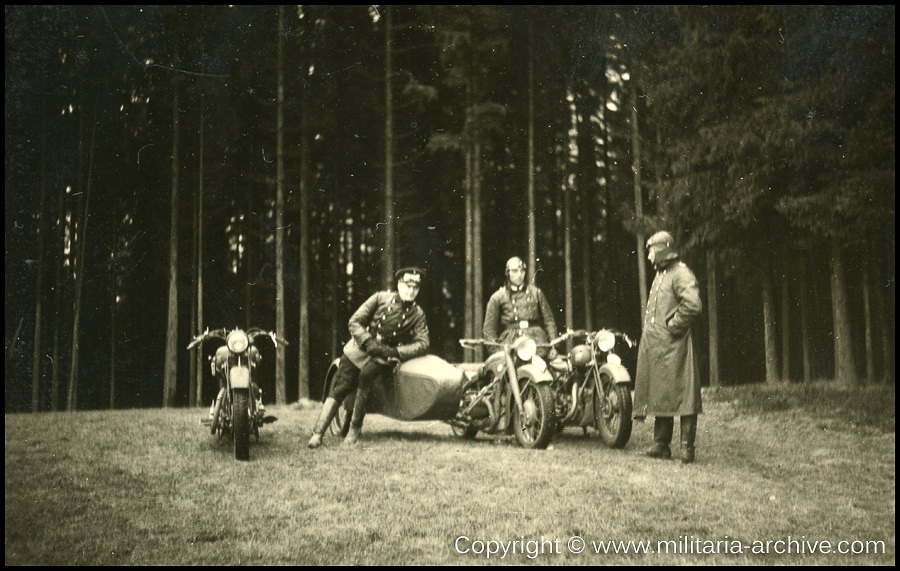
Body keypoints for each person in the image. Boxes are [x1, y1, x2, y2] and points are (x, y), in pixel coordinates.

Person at [307, 267, 430, 448]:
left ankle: (354, 431)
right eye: (407, 285)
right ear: (399, 284)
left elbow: (423, 343)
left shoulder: (417, 314)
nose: (411, 291)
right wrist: (367, 341)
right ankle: (317, 433)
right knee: (341, 386)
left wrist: (397, 352)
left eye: (416, 287)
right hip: (359, 349)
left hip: (383, 356)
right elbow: (354, 322)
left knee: (366, 377)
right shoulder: (380, 298)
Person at [633, 231, 703, 464]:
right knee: (662, 393)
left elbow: (692, 305)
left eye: (652, 250)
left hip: (675, 345)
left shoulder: (681, 273)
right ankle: (661, 444)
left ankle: (686, 448)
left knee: (684, 394)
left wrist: (674, 326)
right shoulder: (662, 273)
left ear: (663, 249)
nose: (650, 255)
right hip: (658, 346)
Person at [483, 256, 558, 359]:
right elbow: (489, 329)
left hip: (536, 341)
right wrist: (496, 352)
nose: (519, 275)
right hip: (511, 342)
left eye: (522, 271)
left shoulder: (536, 293)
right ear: (507, 273)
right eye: (514, 271)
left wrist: (553, 346)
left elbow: (549, 321)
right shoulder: (498, 297)